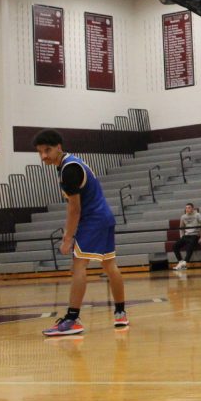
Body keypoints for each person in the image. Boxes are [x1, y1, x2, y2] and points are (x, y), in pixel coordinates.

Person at [34, 129, 128, 336]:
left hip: (93, 219)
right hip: (104, 217)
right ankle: (121, 313)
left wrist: (67, 237)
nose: (43, 156)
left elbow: (74, 208)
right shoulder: (71, 162)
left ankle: (72, 318)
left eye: (47, 150)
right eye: (40, 152)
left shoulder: (69, 169)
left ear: (59, 147)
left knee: (78, 265)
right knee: (110, 264)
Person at [172, 202, 201, 270]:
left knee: (190, 245)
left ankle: (185, 262)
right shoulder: (183, 217)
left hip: (195, 235)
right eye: (186, 208)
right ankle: (180, 262)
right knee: (175, 246)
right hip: (186, 236)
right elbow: (181, 227)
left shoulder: (197, 215)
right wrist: (181, 236)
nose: (187, 209)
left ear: (192, 208)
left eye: (189, 207)